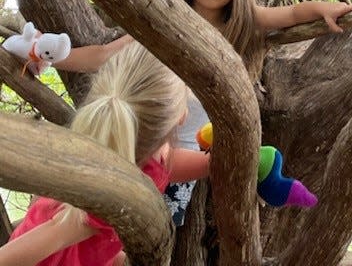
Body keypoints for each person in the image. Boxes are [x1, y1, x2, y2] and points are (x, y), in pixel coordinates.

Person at [164, 0, 352, 225]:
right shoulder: (168, 14)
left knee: (152, 229)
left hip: (188, 159)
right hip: (145, 139)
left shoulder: (241, 20)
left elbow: (291, 14)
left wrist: (323, 8)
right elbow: (113, 51)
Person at [0, 43, 210, 266]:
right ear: (179, 117)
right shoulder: (109, 190)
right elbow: (56, 232)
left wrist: (210, 164)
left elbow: (167, 165)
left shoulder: (141, 151)